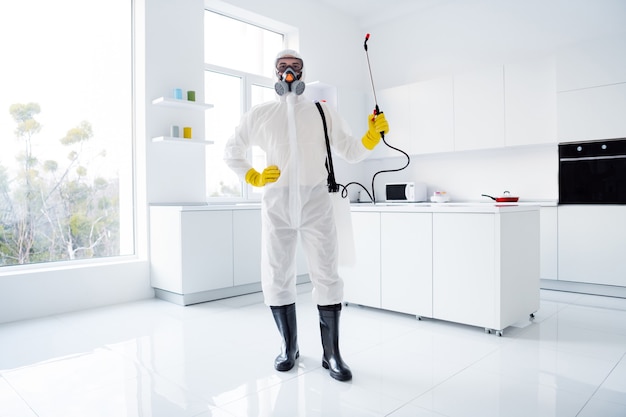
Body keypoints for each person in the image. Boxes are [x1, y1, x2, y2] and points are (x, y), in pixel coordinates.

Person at [223, 49, 389, 382]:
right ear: (274, 73)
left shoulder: (322, 112)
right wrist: (253, 176)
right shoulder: (261, 114)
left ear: (303, 75)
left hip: (316, 202)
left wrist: (371, 136)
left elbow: (351, 151)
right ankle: (289, 348)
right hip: (277, 205)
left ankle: (332, 354)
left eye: (295, 67)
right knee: (276, 275)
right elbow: (232, 151)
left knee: (327, 275)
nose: (288, 72)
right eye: (283, 67)